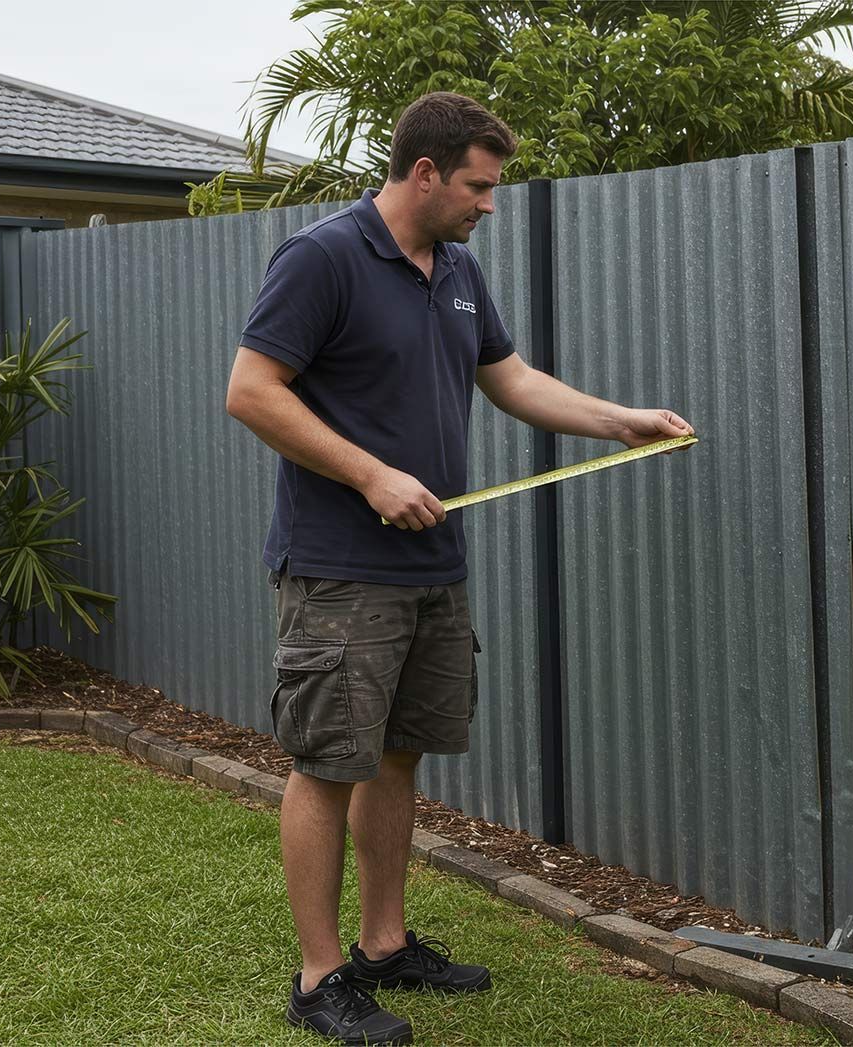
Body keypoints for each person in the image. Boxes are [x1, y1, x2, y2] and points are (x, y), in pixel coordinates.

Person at [225, 91, 694, 1046]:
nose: (489, 204)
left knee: (400, 752)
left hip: (432, 564)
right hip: (338, 567)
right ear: (426, 172)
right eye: (478, 186)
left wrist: (624, 418)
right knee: (326, 765)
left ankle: (384, 944)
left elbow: (511, 379)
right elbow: (250, 390)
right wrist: (369, 475)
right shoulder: (323, 258)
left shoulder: (460, 271)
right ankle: (319, 980)